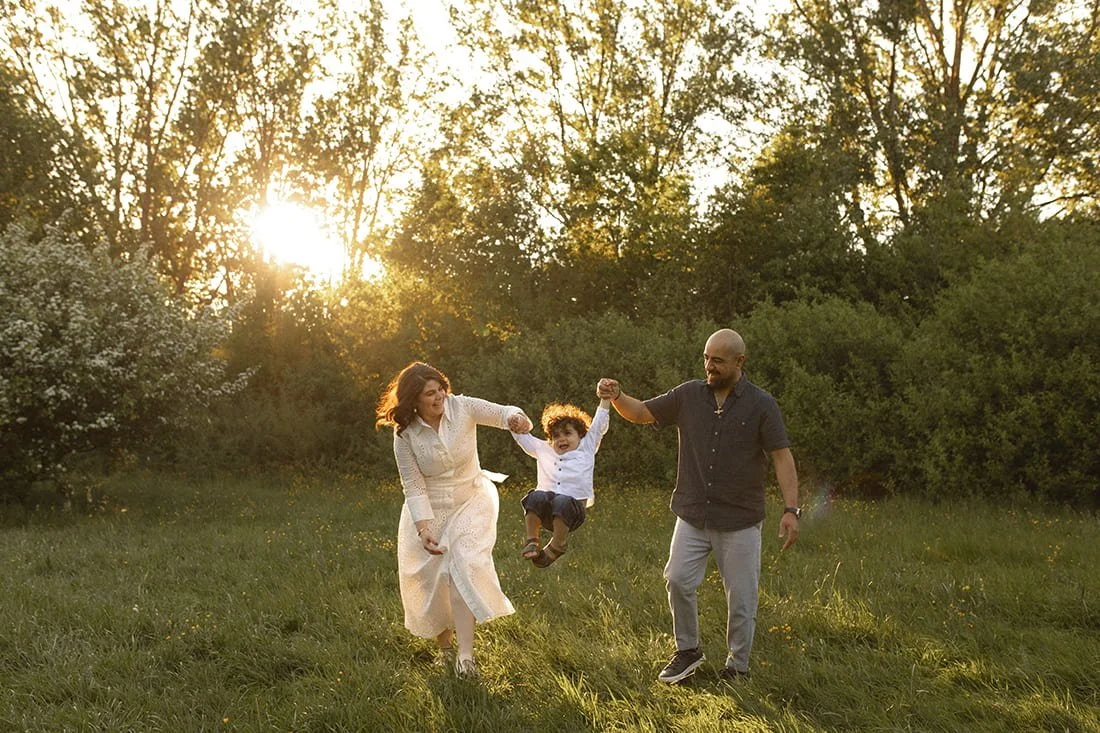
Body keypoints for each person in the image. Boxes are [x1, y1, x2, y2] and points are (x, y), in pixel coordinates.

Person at [596, 328, 800, 684]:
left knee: (741, 600)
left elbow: (782, 457)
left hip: (739, 520)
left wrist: (791, 509)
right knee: (676, 580)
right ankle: (687, 650)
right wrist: (617, 396)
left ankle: (738, 667)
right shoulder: (689, 395)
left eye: (718, 360)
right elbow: (642, 412)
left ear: (740, 362)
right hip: (692, 514)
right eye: (706, 358)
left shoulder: (762, 404)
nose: (710, 366)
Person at [376, 361, 533, 679]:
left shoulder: (462, 407)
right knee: (432, 580)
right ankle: (446, 650)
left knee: (461, 563)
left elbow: (503, 412)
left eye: (440, 389)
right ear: (413, 401)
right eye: (429, 394)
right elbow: (413, 484)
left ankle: (466, 657)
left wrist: (517, 417)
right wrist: (423, 529)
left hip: (471, 499)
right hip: (429, 510)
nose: (439, 398)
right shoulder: (404, 433)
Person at [510, 398, 611, 567]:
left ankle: (557, 544)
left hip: (571, 512)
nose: (561, 439)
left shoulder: (587, 447)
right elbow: (523, 438)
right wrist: (513, 422)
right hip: (546, 512)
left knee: (562, 500)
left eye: (567, 433)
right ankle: (532, 541)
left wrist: (605, 399)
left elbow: (599, 423)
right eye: (556, 436)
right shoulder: (545, 449)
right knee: (535, 496)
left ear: (580, 435)